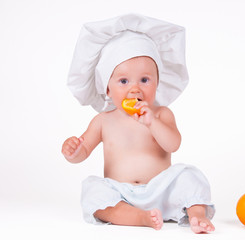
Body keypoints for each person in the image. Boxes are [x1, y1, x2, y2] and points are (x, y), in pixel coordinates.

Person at [61, 14, 215, 234]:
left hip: (161, 191)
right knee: (93, 191)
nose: (135, 89)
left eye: (144, 80)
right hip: (120, 192)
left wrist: (152, 122)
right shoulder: (103, 121)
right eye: (123, 81)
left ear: (157, 83)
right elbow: (83, 150)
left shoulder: (161, 114)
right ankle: (138, 217)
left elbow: (173, 144)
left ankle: (196, 215)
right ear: (107, 88)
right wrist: (73, 150)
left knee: (189, 176)